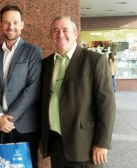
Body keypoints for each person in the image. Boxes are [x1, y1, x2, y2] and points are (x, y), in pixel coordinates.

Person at [41, 15, 116, 168]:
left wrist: (102, 143)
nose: (60, 34)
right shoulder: (46, 64)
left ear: (75, 34)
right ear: (51, 36)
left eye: (65, 30)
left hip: (84, 146)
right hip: (56, 145)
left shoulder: (95, 61)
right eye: (55, 30)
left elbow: (107, 105)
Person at [0, 4, 42, 168]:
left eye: (15, 22)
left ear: (22, 24)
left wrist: (9, 118)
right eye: (7, 22)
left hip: (23, 126)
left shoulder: (33, 52)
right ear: (1, 24)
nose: (11, 27)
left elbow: (32, 89)